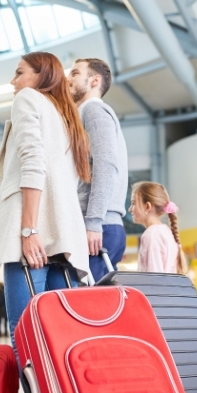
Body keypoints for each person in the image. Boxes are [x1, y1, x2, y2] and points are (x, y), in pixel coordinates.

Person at [0, 51, 92, 393]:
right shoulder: (63, 115)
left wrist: (28, 230)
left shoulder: (29, 101)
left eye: (19, 73)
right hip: (64, 236)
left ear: (39, 75)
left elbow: (31, 164)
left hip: (35, 235)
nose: (13, 82)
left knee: (26, 341)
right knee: (60, 342)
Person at [67, 58, 129, 282]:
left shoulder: (92, 110)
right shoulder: (85, 112)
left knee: (90, 311)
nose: (67, 78)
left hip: (99, 227)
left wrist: (93, 222)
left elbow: (105, 165)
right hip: (100, 225)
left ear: (94, 80)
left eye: (75, 73)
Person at [129, 181, 188, 274]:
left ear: (147, 206)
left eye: (133, 203)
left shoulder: (152, 234)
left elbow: (154, 279)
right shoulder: (165, 231)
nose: (130, 209)